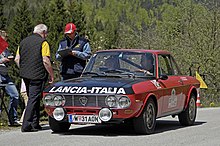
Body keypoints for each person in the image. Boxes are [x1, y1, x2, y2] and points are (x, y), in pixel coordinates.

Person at [14, 24, 54, 132]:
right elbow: (45, 60)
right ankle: (26, 125)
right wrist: (51, 74)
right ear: (44, 33)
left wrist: (24, 69)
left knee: (34, 98)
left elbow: (17, 59)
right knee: (33, 98)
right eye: (46, 33)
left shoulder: (23, 42)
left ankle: (35, 124)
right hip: (38, 75)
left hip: (25, 75)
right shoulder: (43, 43)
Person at [0, 30, 20, 126]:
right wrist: (1, 60)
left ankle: (13, 119)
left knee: (15, 95)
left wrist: (10, 60)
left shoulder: (5, 48)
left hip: (5, 74)